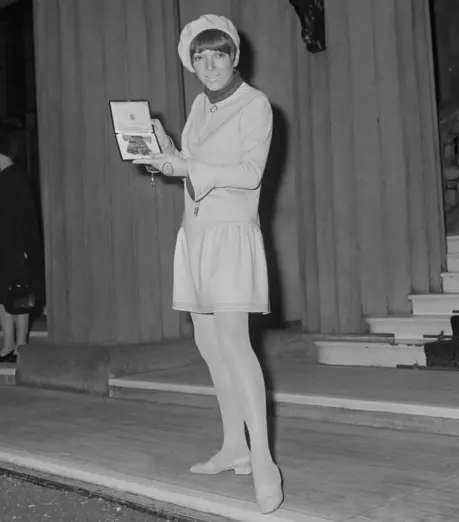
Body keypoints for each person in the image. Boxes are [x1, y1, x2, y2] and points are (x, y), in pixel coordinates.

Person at [134, 14, 283, 514]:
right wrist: (164, 149)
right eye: (200, 56)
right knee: (208, 345)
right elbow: (192, 166)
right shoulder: (199, 105)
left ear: (235, 56)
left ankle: (263, 460)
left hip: (232, 237)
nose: (210, 64)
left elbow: (248, 172)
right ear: (190, 63)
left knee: (235, 345)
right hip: (195, 236)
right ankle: (233, 446)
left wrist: (188, 165)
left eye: (218, 53)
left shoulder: (255, 105)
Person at [0, 131, 43, 364]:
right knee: (3, 297)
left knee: (18, 295)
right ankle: (8, 344)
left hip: (16, 249)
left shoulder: (15, 179)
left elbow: (21, 221)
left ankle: (20, 345)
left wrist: (22, 250)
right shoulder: (8, 179)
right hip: (5, 249)